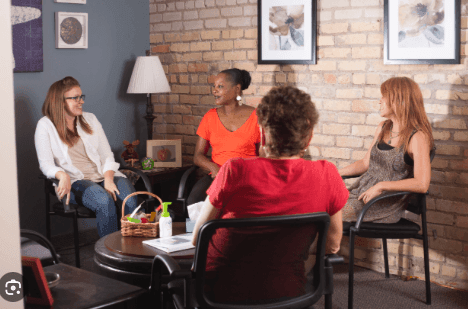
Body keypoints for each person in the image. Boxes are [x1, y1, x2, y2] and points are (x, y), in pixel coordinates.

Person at [191, 85, 349, 303]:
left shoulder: (234, 169)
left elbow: (198, 236)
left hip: (219, 294)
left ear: (262, 133)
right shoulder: (327, 174)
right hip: (288, 295)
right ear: (309, 136)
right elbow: (332, 245)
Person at [34, 76, 138, 238]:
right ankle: (109, 254)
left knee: (130, 201)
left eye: (81, 97)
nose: (81, 101)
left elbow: (107, 155)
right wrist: (61, 175)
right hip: (77, 181)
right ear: (60, 101)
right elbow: (45, 164)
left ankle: (133, 250)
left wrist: (109, 179)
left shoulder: (90, 119)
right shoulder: (45, 125)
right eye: (75, 98)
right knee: (104, 201)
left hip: (104, 176)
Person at [339, 77, 434, 223]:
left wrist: (382, 186)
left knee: (332, 214)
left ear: (398, 100)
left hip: (384, 203)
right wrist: (335, 173)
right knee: (318, 204)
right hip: (361, 192)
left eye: (383, 96)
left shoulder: (417, 137)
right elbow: (365, 163)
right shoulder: (384, 127)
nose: (379, 101)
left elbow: (422, 183)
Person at [187, 68, 261, 205]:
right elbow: (198, 156)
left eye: (220, 87)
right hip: (216, 176)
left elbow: (264, 156)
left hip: (246, 177)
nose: (214, 91)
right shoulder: (210, 117)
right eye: (214, 87)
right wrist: (213, 168)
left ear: (237, 89)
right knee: (194, 202)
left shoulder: (256, 117)